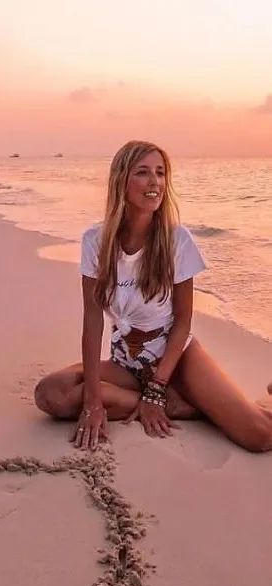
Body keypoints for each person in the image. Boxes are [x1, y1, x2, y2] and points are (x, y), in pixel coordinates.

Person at [34, 140, 272, 453]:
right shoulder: (96, 241)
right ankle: (182, 406)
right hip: (126, 360)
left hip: (176, 357)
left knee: (259, 436)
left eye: (160, 173)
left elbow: (184, 320)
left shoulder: (177, 240)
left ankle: (179, 397)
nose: (154, 182)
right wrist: (92, 401)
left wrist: (157, 386)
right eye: (143, 173)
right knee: (50, 393)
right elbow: (92, 322)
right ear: (122, 180)